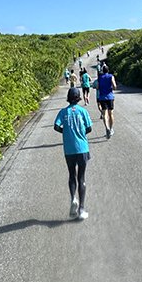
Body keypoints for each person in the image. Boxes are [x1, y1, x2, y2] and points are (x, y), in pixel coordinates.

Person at [54, 87, 92, 220]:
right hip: (82, 148)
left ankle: (73, 199)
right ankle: (81, 209)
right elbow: (89, 128)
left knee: (72, 175)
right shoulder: (83, 111)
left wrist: (66, 133)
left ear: (68, 98)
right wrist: (80, 134)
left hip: (69, 149)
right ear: (78, 97)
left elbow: (56, 126)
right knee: (81, 178)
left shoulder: (63, 112)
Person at [96, 61, 117, 138]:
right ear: (108, 70)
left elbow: (97, 87)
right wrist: (112, 87)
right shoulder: (111, 76)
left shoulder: (100, 78)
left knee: (104, 114)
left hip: (102, 97)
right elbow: (114, 86)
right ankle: (111, 129)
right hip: (110, 97)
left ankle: (107, 128)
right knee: (110, 113)